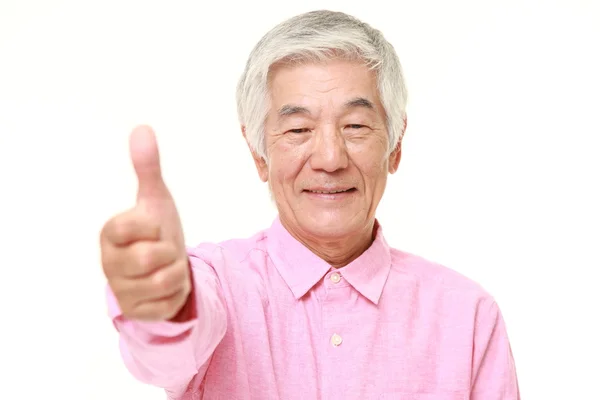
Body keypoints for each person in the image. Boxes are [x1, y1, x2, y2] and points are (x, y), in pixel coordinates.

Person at [100, 9, 520, 400]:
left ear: (395, 145)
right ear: (258, 154)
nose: (330, 159)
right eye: (298, 129)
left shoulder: (467, 317)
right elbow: (169, 348)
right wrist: (163, 304)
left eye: (355, 126)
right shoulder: (216, 287)